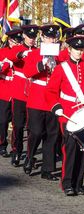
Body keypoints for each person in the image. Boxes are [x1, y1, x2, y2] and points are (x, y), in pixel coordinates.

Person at [45, 36, 84, 196]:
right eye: (76, 49)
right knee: (70, 148)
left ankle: (78, 183)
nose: (79, 52)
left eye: (81, 49)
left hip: (83, 112)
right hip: (67, 113)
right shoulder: (61, 68)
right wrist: (56, 107)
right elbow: (51, 91)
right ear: (69, 49)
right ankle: (67, 183)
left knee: (83, 149)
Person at [22, 24, 60, 180]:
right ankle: (30, 157)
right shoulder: (34, 54)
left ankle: (47, 169)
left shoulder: (59, 56)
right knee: (36, 132)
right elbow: (27, 72)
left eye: (54, 37)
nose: (51, 40)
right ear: (43, 38)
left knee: (52, 134)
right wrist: (42, 63)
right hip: (37, 98)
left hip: (53, 99)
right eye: (48, 37)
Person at [5, 24, 39, 165]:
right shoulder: (18, 48)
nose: (31, 39)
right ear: (24, 36)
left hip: (34, 92)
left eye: (34, 37)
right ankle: (16, 150)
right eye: (29, 36)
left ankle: (30, 155)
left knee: (33, 127)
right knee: (18, 125)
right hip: (19, 91)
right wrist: (20, 54)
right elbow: (11, 56)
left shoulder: (38, 50)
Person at [0, 28, 23, 158]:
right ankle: (2, 145)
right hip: (5, 89)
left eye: (19, 41)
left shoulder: (22, 52)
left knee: (17, 122)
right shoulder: (2, 52)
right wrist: (7, 63)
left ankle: (15, 148)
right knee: (3, 120)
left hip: (18, 90)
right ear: (9, 41)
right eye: (15, 41)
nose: (17, 43)